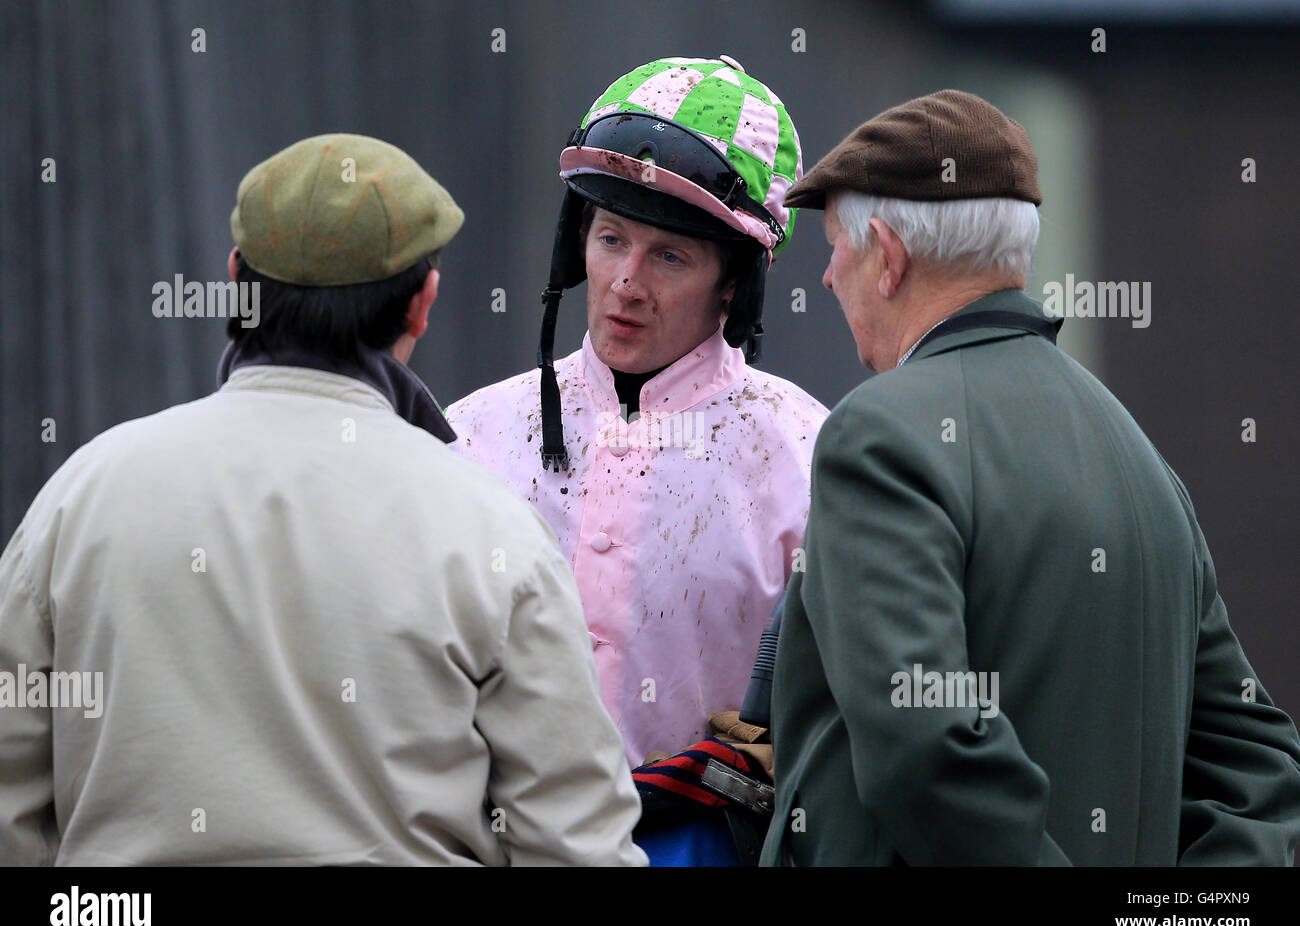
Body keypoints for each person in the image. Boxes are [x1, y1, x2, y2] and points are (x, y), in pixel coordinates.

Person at [0, 133, 646, 866]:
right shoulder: (492, 533)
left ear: (237, 277)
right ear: (422, 304)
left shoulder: (82, 498)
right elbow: (573, 844)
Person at [762, 90, 1300, 865]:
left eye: (837, 249)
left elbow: (928, 743)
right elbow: (1259, 764)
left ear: (889, 255)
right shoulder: (1141, 460)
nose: (825, 279)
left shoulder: (878, 433)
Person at [445, 56, 829, 770]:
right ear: (577, 244)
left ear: (734, 286)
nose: (627, 282)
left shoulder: (809, 460)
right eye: (612, 238)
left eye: (670, 257)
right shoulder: (471, 434)